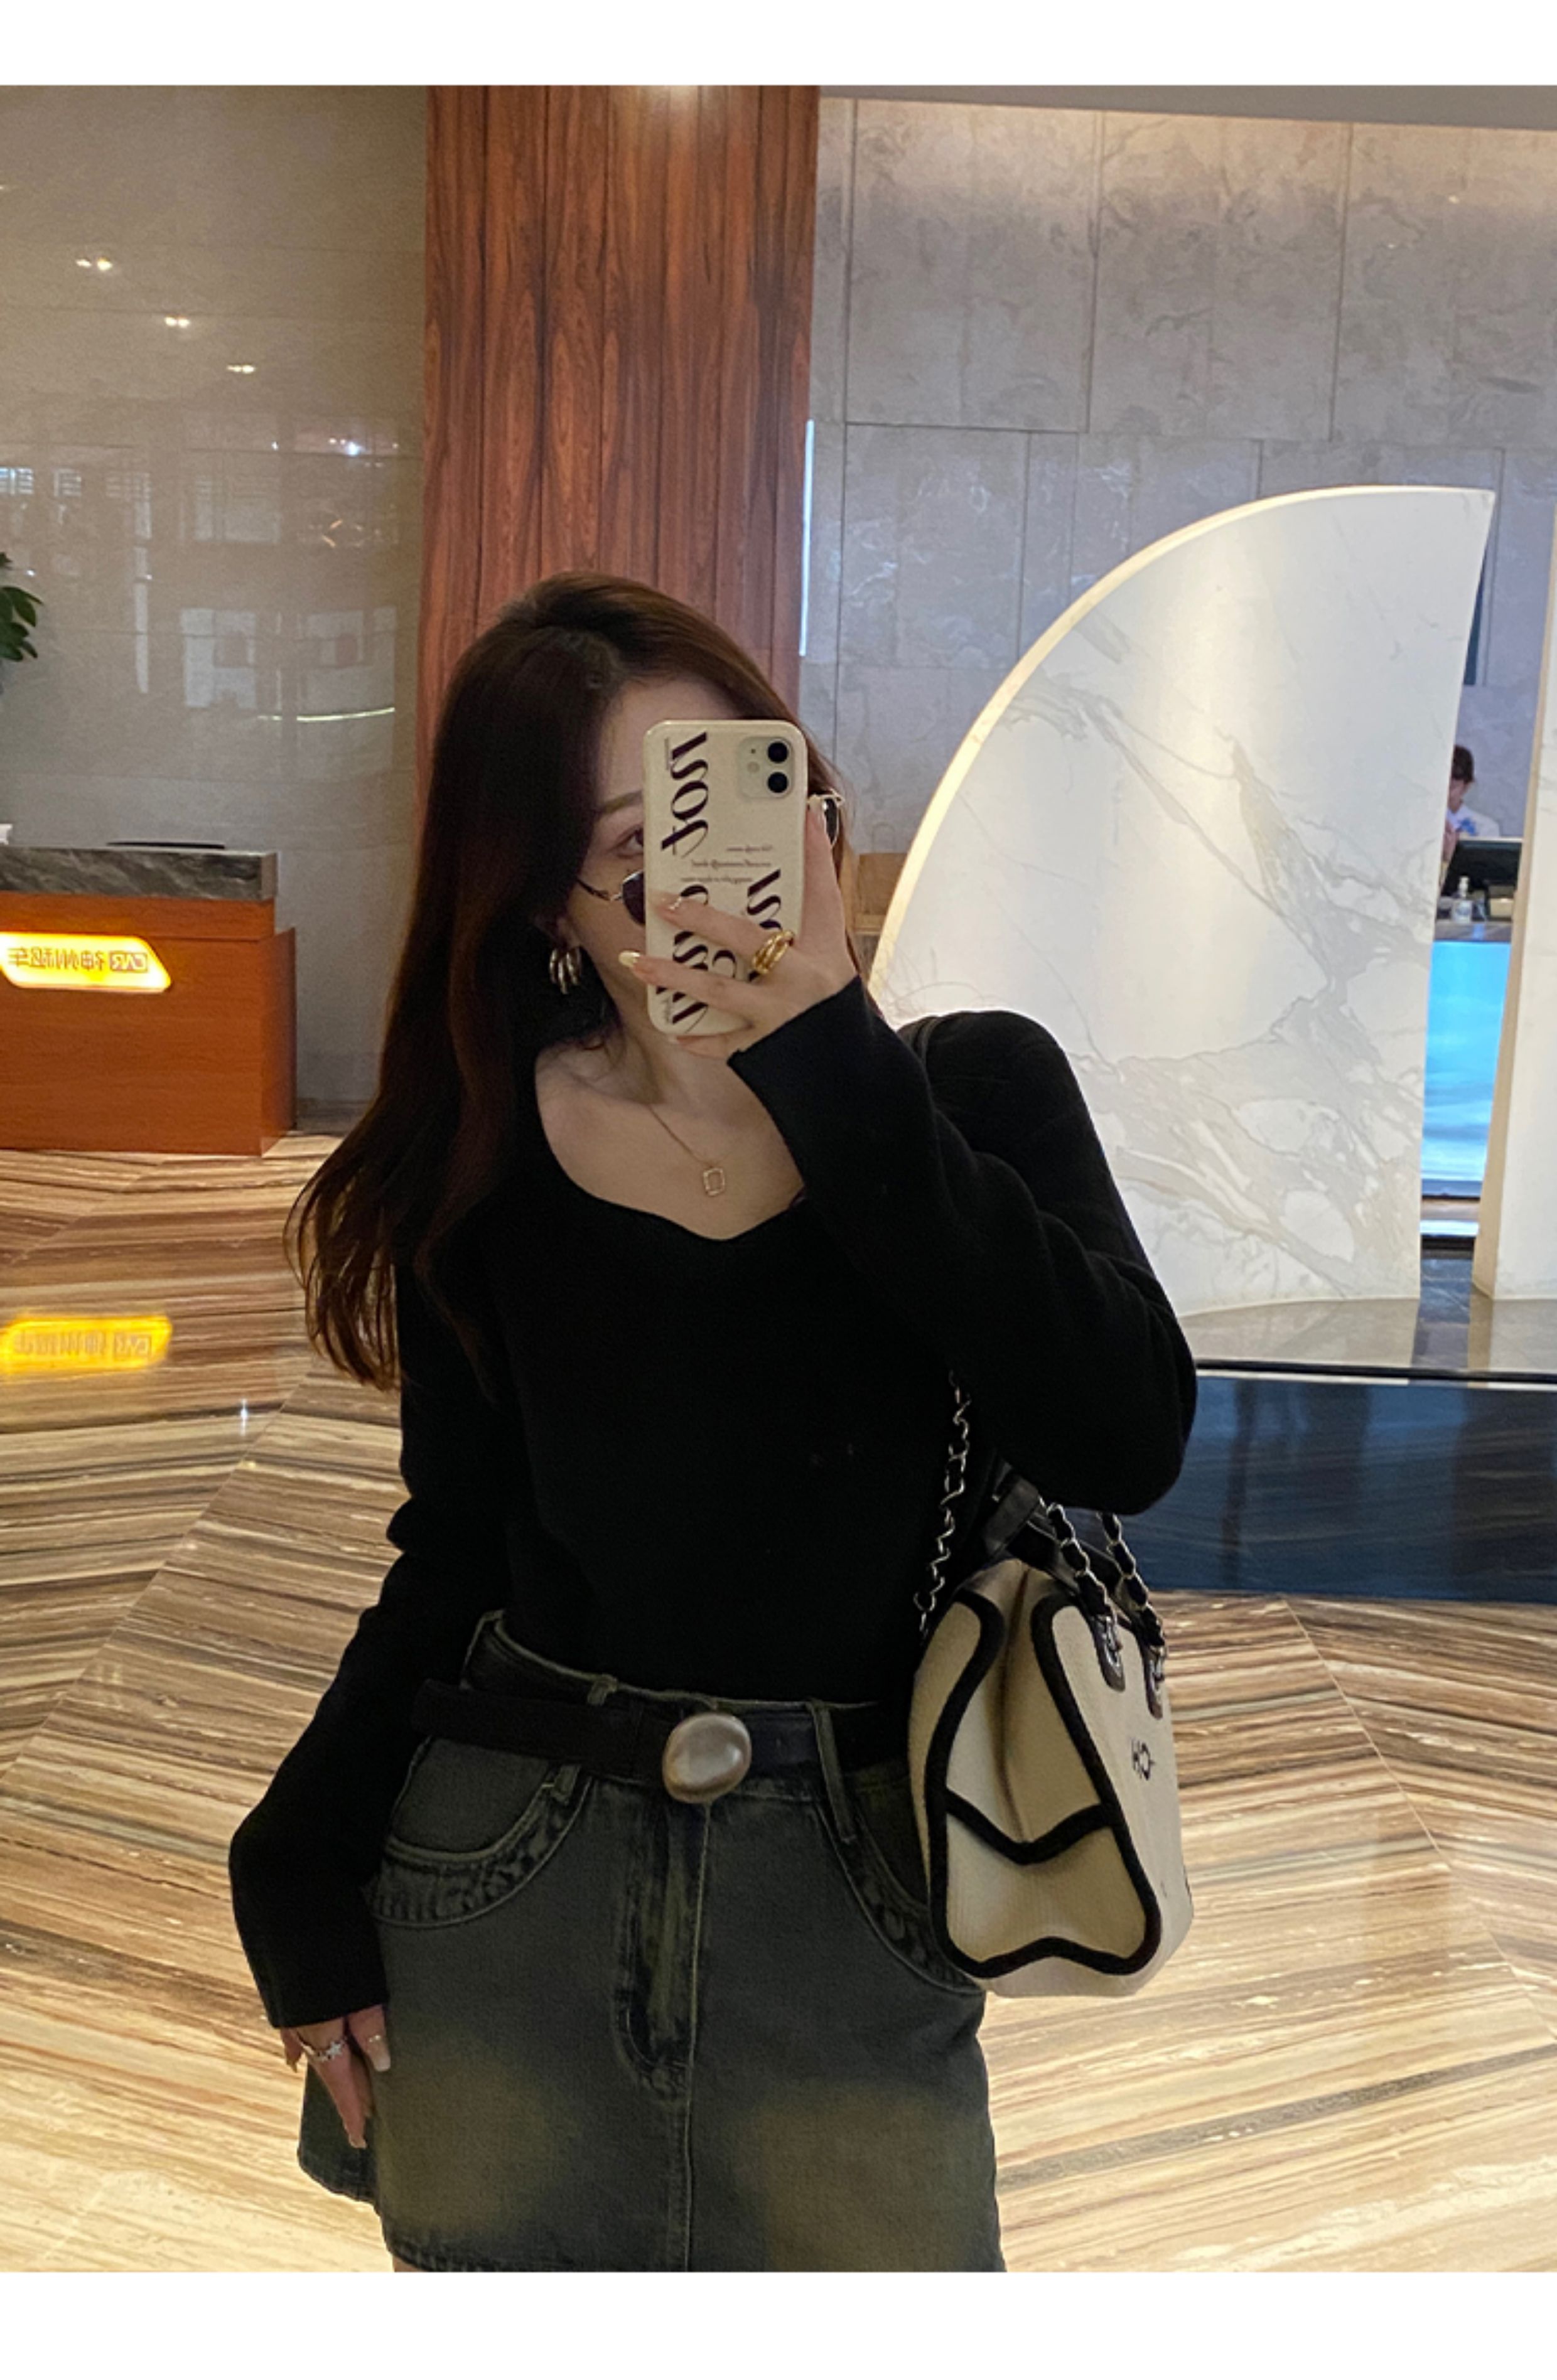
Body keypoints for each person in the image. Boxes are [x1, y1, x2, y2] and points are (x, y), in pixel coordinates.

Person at [226, 571, 1199, 2273]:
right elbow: (455, 1551)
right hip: (513, 1870)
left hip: (854, 1877)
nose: (730, 877)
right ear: (547, 904)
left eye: (763, 798)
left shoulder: (967, 1094)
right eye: (646, 847)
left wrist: (830, 1065)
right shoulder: (486, 1156)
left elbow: (1123, 1435)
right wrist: (298, 1865)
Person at [1443, 743, 1500, 871]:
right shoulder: (1421, 822)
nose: (1445, 792)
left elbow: (1486, 871)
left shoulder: (1486, 828)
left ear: (1467, 786)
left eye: (1452, 787)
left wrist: (1452, 856)